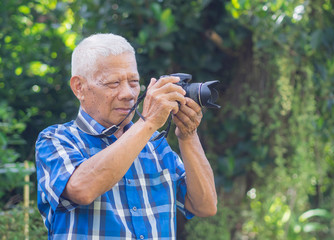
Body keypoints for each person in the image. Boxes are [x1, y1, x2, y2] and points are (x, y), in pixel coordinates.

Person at [36, 33, 217, 239]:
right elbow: (82, 189)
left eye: (133, 82)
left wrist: (188, 135)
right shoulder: (56, 139)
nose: (128, 94)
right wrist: (148, 123)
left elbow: (204, 206)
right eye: (113, 83)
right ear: (79, 87)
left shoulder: (155, 145)